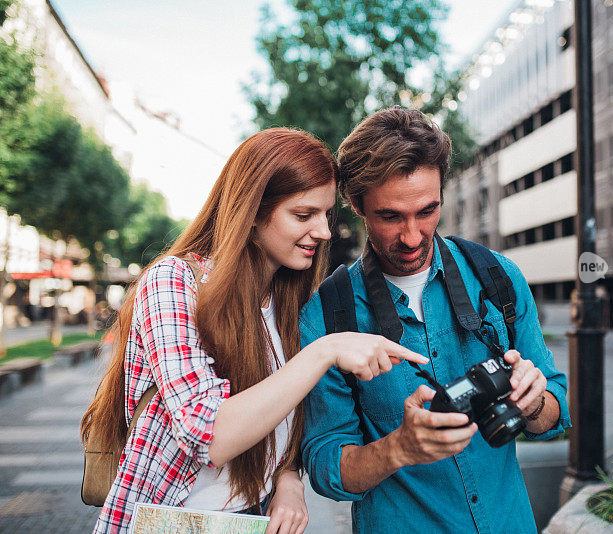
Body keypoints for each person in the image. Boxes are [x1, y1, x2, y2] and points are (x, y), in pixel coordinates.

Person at [80, 129, 428, 534]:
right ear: (253, 211)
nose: (324, 231)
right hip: (172, 519)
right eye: (303, 215)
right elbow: (207, 436)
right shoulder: (173, 282)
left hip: (253, 519)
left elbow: (278, 416)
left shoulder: (287, 299)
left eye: (326, 215)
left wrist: (287, 480)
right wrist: (325, 351)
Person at [300, 108, 570, 533]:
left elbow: (554, 408)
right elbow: (324, 466)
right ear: (357, 205)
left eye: (427, 211)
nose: (411, 237)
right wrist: (398, 449)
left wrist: (534, 400)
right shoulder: (328, 314)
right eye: (391, 216)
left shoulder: (497, 276)